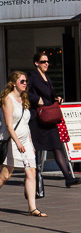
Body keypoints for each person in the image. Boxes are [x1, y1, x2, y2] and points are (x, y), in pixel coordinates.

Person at [0, 71, 46, 218]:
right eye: (22, 81)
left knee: (31, 173)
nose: (25, 84)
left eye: (26, 82)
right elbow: (9, 126)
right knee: (5, 175)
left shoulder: (24, 99)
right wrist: (18, 143)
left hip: (25, 142)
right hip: (11, 140)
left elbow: (25, 123)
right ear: (14, 83)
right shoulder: (7, 99)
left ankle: (32, 208)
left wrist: (30, 143)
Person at [27, 51, 80, 187]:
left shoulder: (47, 77)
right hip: (38, 118)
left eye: (47, 62)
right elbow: (25, 92)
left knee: (57, 146)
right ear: (36, 63)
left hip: (49, 118)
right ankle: (35, 177)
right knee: (38, 149)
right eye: (43, 62)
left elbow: (50, 95)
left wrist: (58, 98)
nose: (46, 64)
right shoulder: (32, 76)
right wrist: (36, 99)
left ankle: (68, 177)